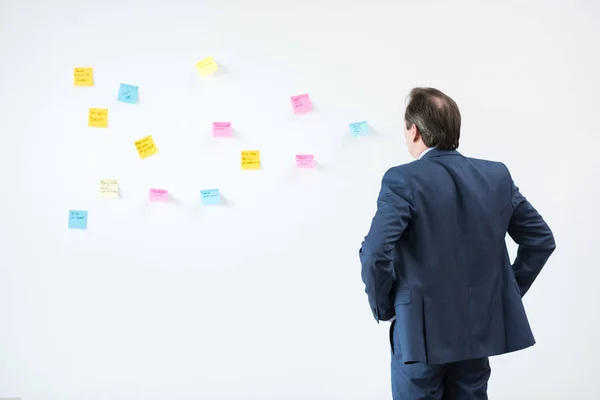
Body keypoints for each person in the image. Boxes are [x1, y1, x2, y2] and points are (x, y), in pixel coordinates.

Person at [359, 87, 556, 399]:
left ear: (414, 131)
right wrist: (503, 292)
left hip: (419, 335)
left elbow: (373, 253)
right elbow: (540, 240)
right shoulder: (496, 176)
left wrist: (386, 306)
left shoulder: (402, 180)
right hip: (476, 331)